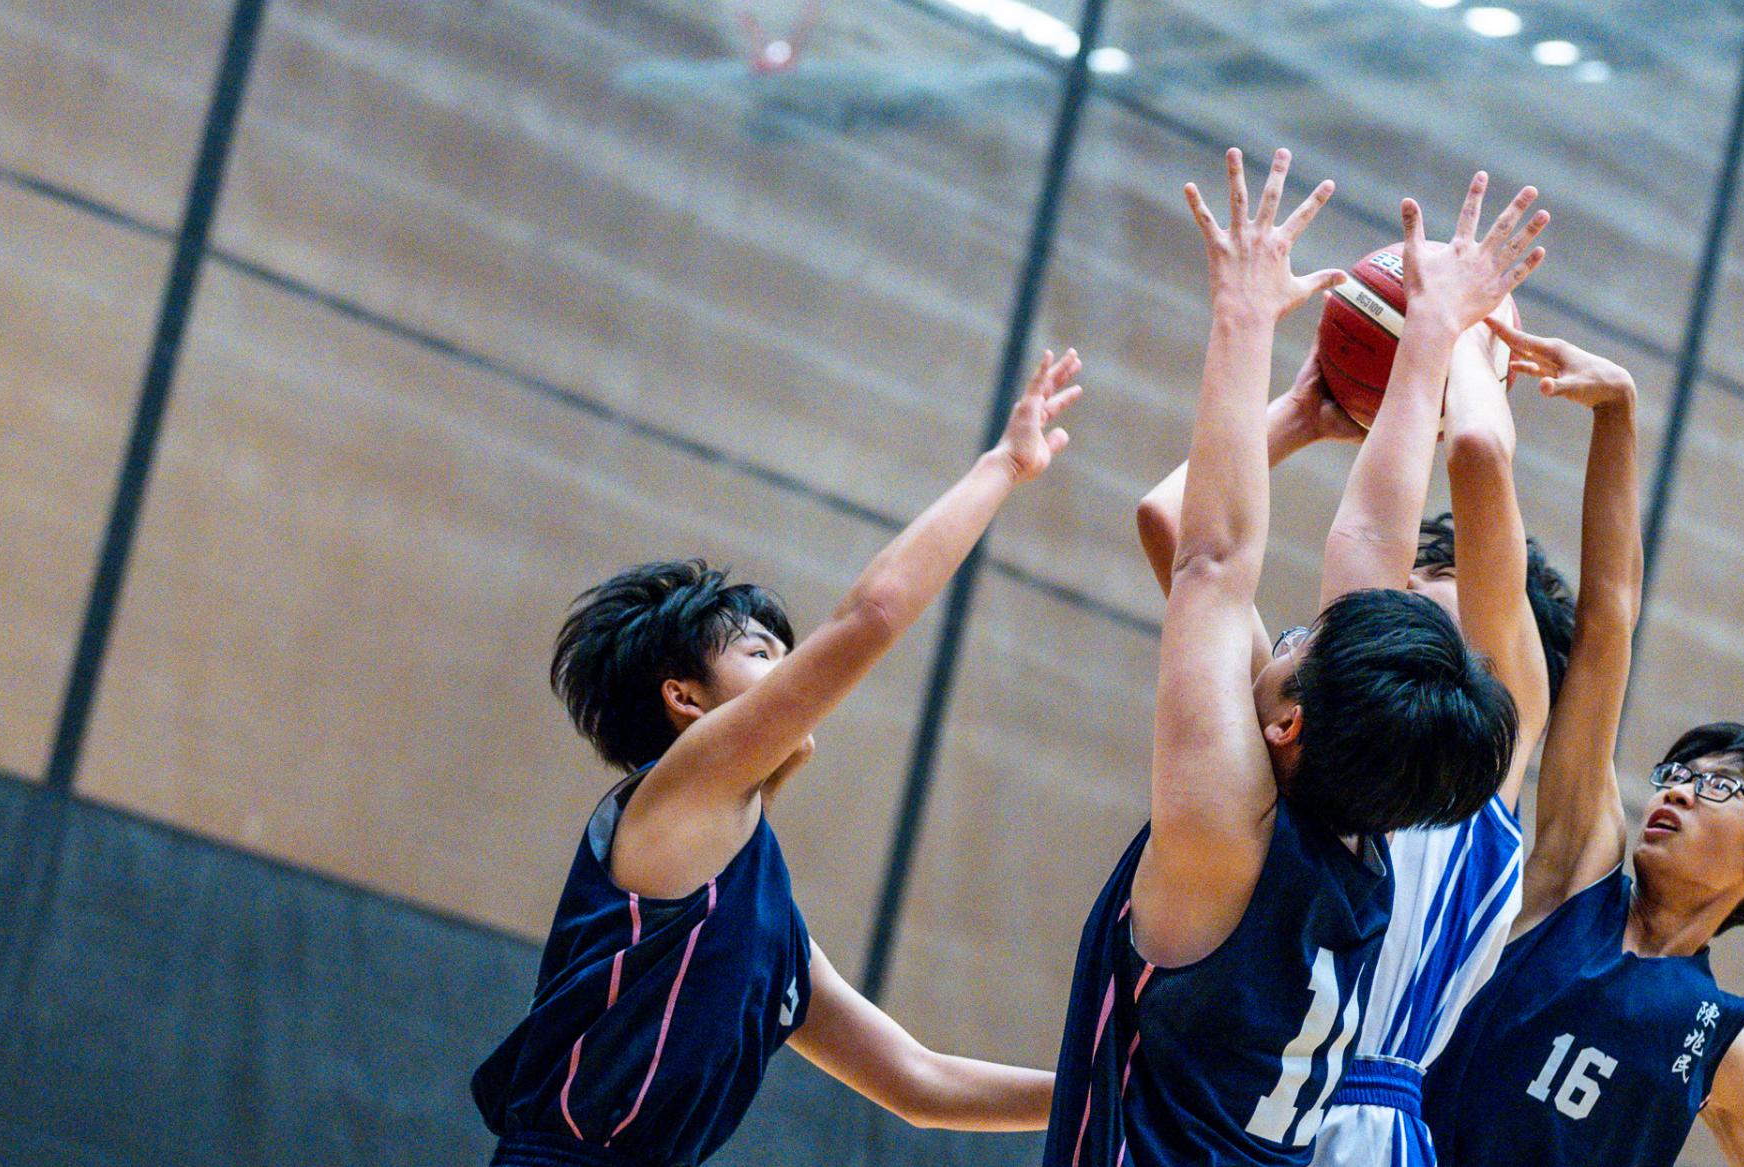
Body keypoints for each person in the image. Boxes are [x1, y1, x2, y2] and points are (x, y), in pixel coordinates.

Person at [1044, 149, 1543, 1167]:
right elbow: (1369, 549)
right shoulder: (1368, 837)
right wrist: (1426, 343)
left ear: (1288, 721)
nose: (1298, 625)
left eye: (1304, 640)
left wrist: (1243, 316)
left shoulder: (1227, 833)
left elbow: (1214, 557)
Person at [472, 350, 1085, 1166]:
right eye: (765, 653)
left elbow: (919, 1081)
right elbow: (872, 615)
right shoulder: (679, 791)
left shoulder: (766, 919)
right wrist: (1002, 467)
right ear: (685, 698)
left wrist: (1107, 1091)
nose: (792, 673)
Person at [1136, 314, 1575, 1167]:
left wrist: (1469, 333)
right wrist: (1303, 412)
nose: (1411, 581)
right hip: (1268, 1100)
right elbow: (1172, 525)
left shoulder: (1489, 744)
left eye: (1441, 571)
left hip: (1346, 1113)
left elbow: (1480, 451)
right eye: (1412, 568)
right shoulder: (1320, 732)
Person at [1421, 320, 1744, 1167]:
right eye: (1679, 773)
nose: (1679, 789)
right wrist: (1617, 413)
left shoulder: (1718, 1042)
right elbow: (1608, 621)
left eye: (1718, 788)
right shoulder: (1579, 869)